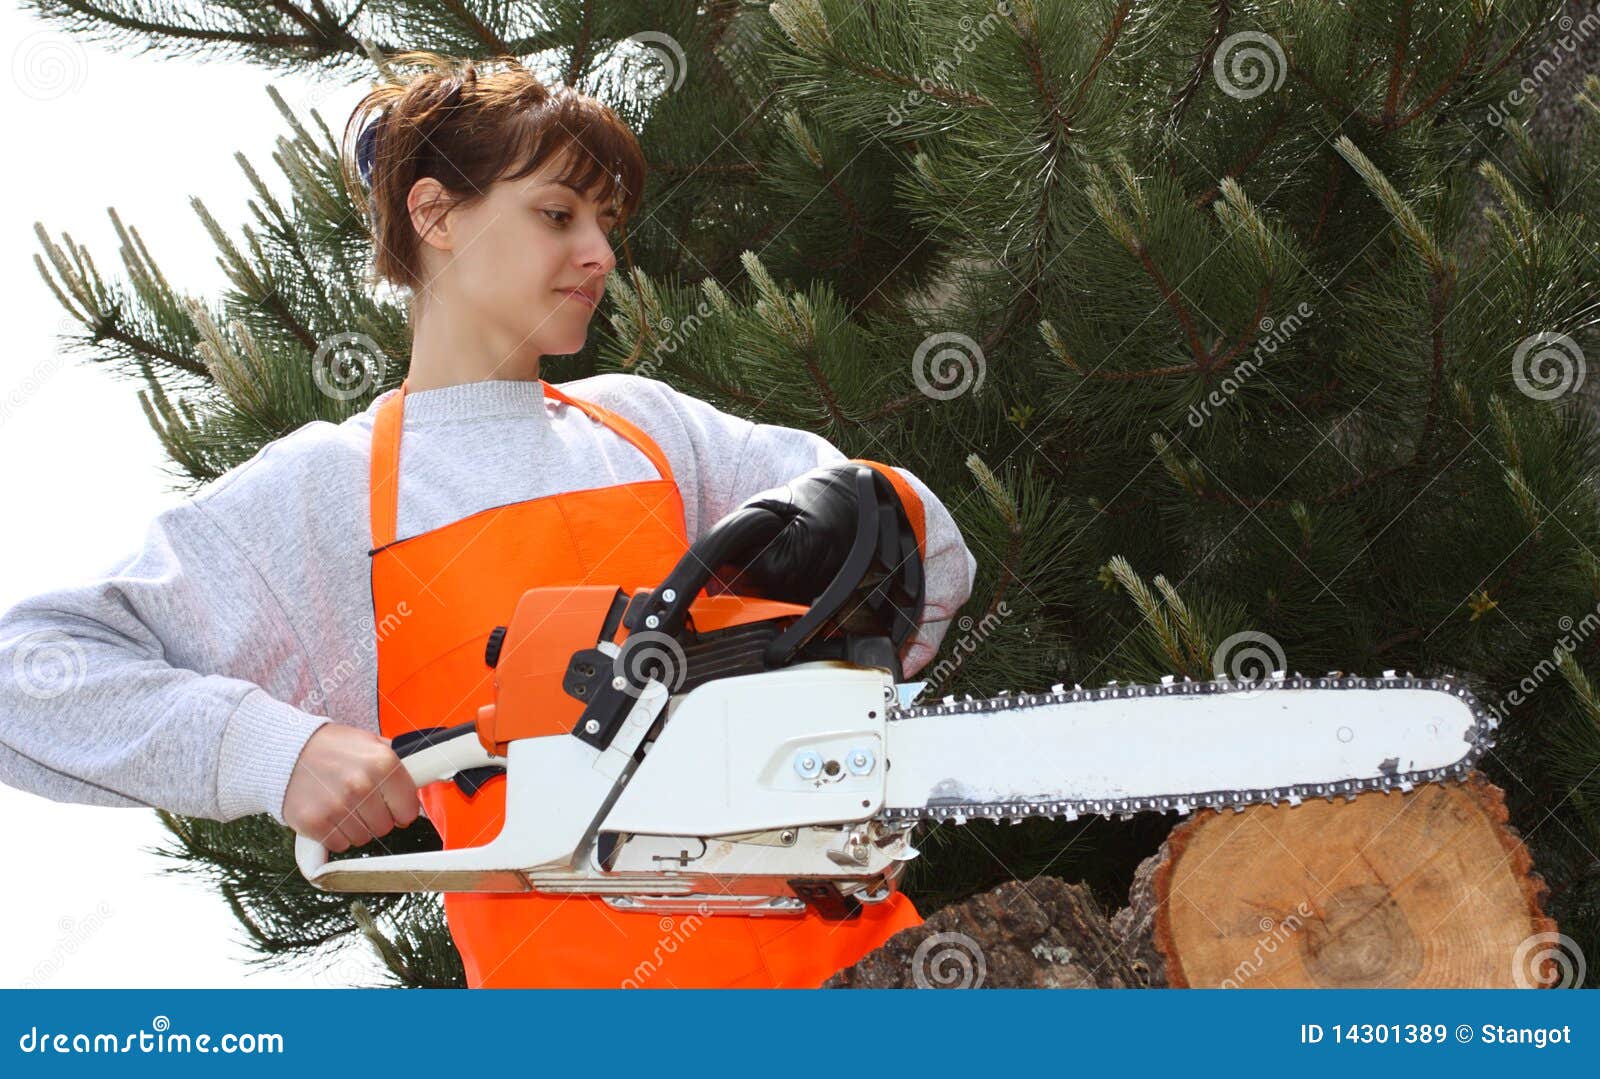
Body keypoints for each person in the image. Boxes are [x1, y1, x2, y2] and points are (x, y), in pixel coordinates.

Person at [0, 51, 977, 988]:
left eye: (604, 220)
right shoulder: (328, 492)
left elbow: (922, 557)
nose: (598, 252)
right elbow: (32, 671)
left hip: (874, 981)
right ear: (436, 215)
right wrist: (274, 748)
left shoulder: (650, 431)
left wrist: (847, 530)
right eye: (557, 213)